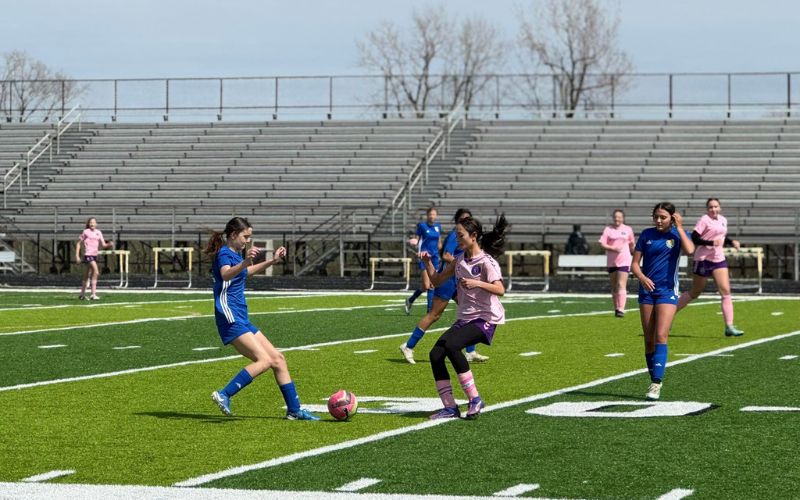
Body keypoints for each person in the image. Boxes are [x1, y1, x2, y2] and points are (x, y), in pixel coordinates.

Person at [207, 217, 319, 420]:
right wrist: (244, 262)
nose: (248, 241)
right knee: (264, 360)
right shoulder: (224, 253)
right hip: (229, 315)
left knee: (278, 359)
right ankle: (224, 394)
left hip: (240, 315)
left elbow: (245, 272)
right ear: (233, 235)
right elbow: (225, 274)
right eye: (245, 236)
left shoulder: (235, 254)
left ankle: (294, 410)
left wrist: (272, 261)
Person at [420, 214, 509, 420]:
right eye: (456, 235)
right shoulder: (459, 260)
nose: (457, 239)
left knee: (452, 346)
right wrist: (427, 263)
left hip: (485, 319)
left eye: (461, 236)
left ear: (473, 236)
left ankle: (475, 399)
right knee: (436, 354)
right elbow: (437, 280)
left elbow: (500, 289)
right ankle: (450, 407)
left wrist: (477, 283)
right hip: (465, 319)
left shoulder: (486, 262)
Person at [399, 208, 489, 365]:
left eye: (468, 219)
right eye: (463, 219)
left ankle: (470, 351)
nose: (466, 222)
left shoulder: (467, 236)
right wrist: (462, 264)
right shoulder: (456, 235)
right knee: (434, 315)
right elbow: (446, 255)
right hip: (448, 279)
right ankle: (408, 346)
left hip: (457, 280)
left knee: (471, 312)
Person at [631, 202, 694, 401]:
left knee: (661, 335)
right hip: (646, 291)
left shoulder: (677, 234)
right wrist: (642, 277)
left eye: (663, 217)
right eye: (656, 217)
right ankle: (653, 378)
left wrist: (680, 227)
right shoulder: (646, 234)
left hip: (667, 291)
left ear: (672, 218)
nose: (659, 221)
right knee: (649, 340)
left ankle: (656, 382)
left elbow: (690, 250)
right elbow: (634, 264)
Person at [676, 198, 744, 337]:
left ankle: (729, 326)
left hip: (718, 259)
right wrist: (711, 243)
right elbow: (695, 238)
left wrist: (732, 241)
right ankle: (669, 314)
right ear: (707, 209)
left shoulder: (723, 220)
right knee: (695, 293)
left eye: (716, 206)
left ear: (720, 207)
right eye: (711, 207)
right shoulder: (704, 220)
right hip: (703, 259)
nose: (713, 209)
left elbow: (722, 236)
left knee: (726, 291)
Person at [405, 207, 442, 315]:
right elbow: (417, 239)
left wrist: (443, 250)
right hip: (424, 257)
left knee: (432, 285)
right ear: (427, 215)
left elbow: (439, 242)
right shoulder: (422, 226)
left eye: (434, 214)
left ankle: (428, 310)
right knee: (426, 285)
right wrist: (414, 242)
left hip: (435, 258)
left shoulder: (438, 226)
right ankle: (412, 301)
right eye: (430, 214)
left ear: (436, 215)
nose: (432, 216)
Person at [598, 210, 635, 318]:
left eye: (619, 217)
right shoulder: (608, 229)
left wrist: (634, 253)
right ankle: (616, 308)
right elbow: (602, 243)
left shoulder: (628, 229)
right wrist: (613, 248)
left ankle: (621, 309)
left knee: (621, 284)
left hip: (624, 260)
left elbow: (632, 244)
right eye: (615, 217)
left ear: (623, 218)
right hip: (612, 261)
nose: (617, 219)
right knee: (614, 285)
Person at [75, 217, 114, 301]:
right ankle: (93, 294)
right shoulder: (86, 232)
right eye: (90, 222)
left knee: (87, 274)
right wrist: (77, 256)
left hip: (94, 255)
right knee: (96, 272)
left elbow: (103, 245)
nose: (92, 224)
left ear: (96, 224)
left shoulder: (98, 232)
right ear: (88, 224)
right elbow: (78, 243)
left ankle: (82, 294)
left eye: (93, 222)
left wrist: (109, 244)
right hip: (88, 255)